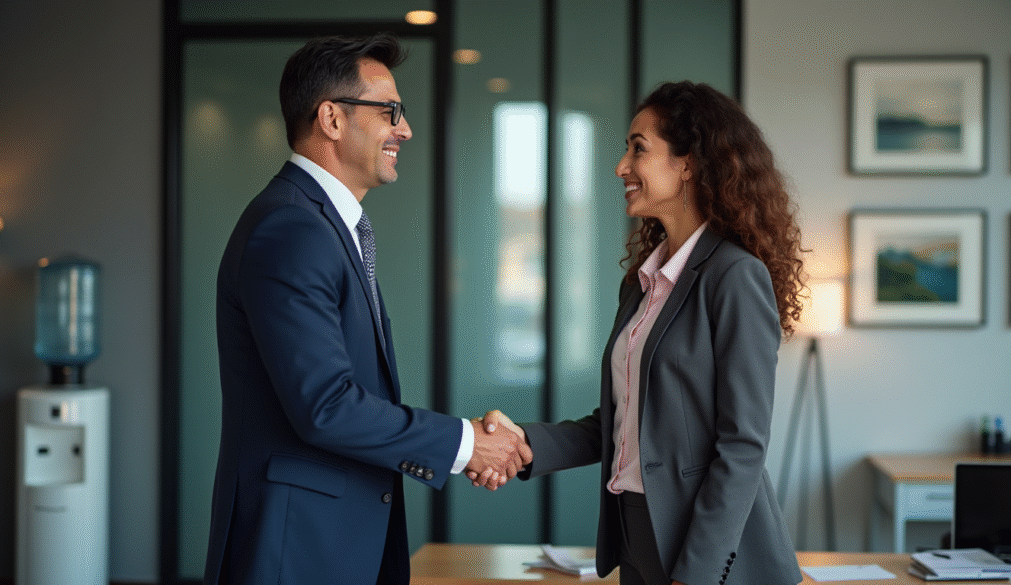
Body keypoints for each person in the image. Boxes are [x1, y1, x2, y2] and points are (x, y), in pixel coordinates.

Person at [205, 33, 530, 585]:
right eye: (390, 111)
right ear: (331, 118)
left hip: (332, 540)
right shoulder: (293, 229)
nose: (404, 129)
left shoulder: (323, 223)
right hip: (295, 550)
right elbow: (326, 405)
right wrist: (466, 443)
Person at [473, 81, 806, 585]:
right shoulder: (642, 283)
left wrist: (695, 573)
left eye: (638, 149)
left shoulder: (734, 276)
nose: (621, 167)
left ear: (688, 163)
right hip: (636, 533)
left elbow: (742, 445)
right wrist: (524, 443)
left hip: (707, 552)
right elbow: (621, 423)